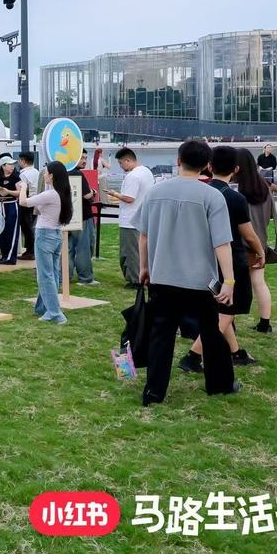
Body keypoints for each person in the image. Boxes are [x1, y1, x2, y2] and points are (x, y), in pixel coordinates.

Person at [136, 139, 241, 406]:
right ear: (207, 165)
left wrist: (144, 268)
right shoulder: (212, 196)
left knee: (162, 335)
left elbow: (144, 236)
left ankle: (154, 392)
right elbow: (222, 243)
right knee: (211, 333)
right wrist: (228, 280)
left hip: (162, 277)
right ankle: (220, 385)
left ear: (178, 160)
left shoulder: (154, 192)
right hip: (199, 280)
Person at [178, 146, 265, 373]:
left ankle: (235, 352)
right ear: (235, 170)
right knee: (227, 311)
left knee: (222, 309)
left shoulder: (199, 192)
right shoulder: (235, 198)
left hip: (203, 258)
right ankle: (193, 356)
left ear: (209, 166)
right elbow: (248, 234)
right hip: (231, 261)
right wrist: (260, 251)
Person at [235, 148, 277, 334]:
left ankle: (229, 322)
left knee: (230, 283)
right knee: (259, 283)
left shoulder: (238, 193)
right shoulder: (263, 189)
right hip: (260, 243)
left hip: (240, 244)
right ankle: (265, 323)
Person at [17, 162, 73, 325]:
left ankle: (55, 313)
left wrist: (23, 187)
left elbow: (24, 202)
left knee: (45, 275)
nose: (44, 175)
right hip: (55, 235)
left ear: (52, 176)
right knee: (52, 274)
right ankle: (44, 308)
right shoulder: (62, 193)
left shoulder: (51, 194)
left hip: (45, 235)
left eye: (46, 173)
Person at [106, 148, 154, 288]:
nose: (121, 166)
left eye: (121, 163)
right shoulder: (147, 172)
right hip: (143, 217)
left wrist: (114, 194)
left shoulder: (132, 176)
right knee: (142, 251)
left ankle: (134, 280)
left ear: (128, 160)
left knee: (130, 252)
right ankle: (144, 277)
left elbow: (129, 198)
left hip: (130, 220)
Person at [68, 151, 99, 286]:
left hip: (66, 216)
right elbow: (87, 195)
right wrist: (92, 192)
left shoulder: (62, 171)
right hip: (82, 216)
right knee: (83, 247)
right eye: (82, 158)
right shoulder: (77, 173)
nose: (84, 161)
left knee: (67, 247)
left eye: (86, 158)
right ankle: (85, 277)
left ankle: (65, 276)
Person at [0, 155, 21, 265]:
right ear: (3, 166)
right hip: (0, 205)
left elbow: (20, 192)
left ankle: (11, 257)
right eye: (10, 164)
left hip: (11, 205)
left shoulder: (16, 177)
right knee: (1, 231)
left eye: (13, 164)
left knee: (12, 231)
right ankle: (4, 256)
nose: (12, 166)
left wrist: (8, 191)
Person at [17, 152, 39, 260]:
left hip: (26, 203)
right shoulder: (37, 172)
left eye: (19, 160)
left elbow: (22, 190)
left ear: (23, 161)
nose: (18, 162)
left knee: (27, 227)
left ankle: (30, 251)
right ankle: (32, 250)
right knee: (32, 226)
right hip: (36, 201)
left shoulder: (23, 174)